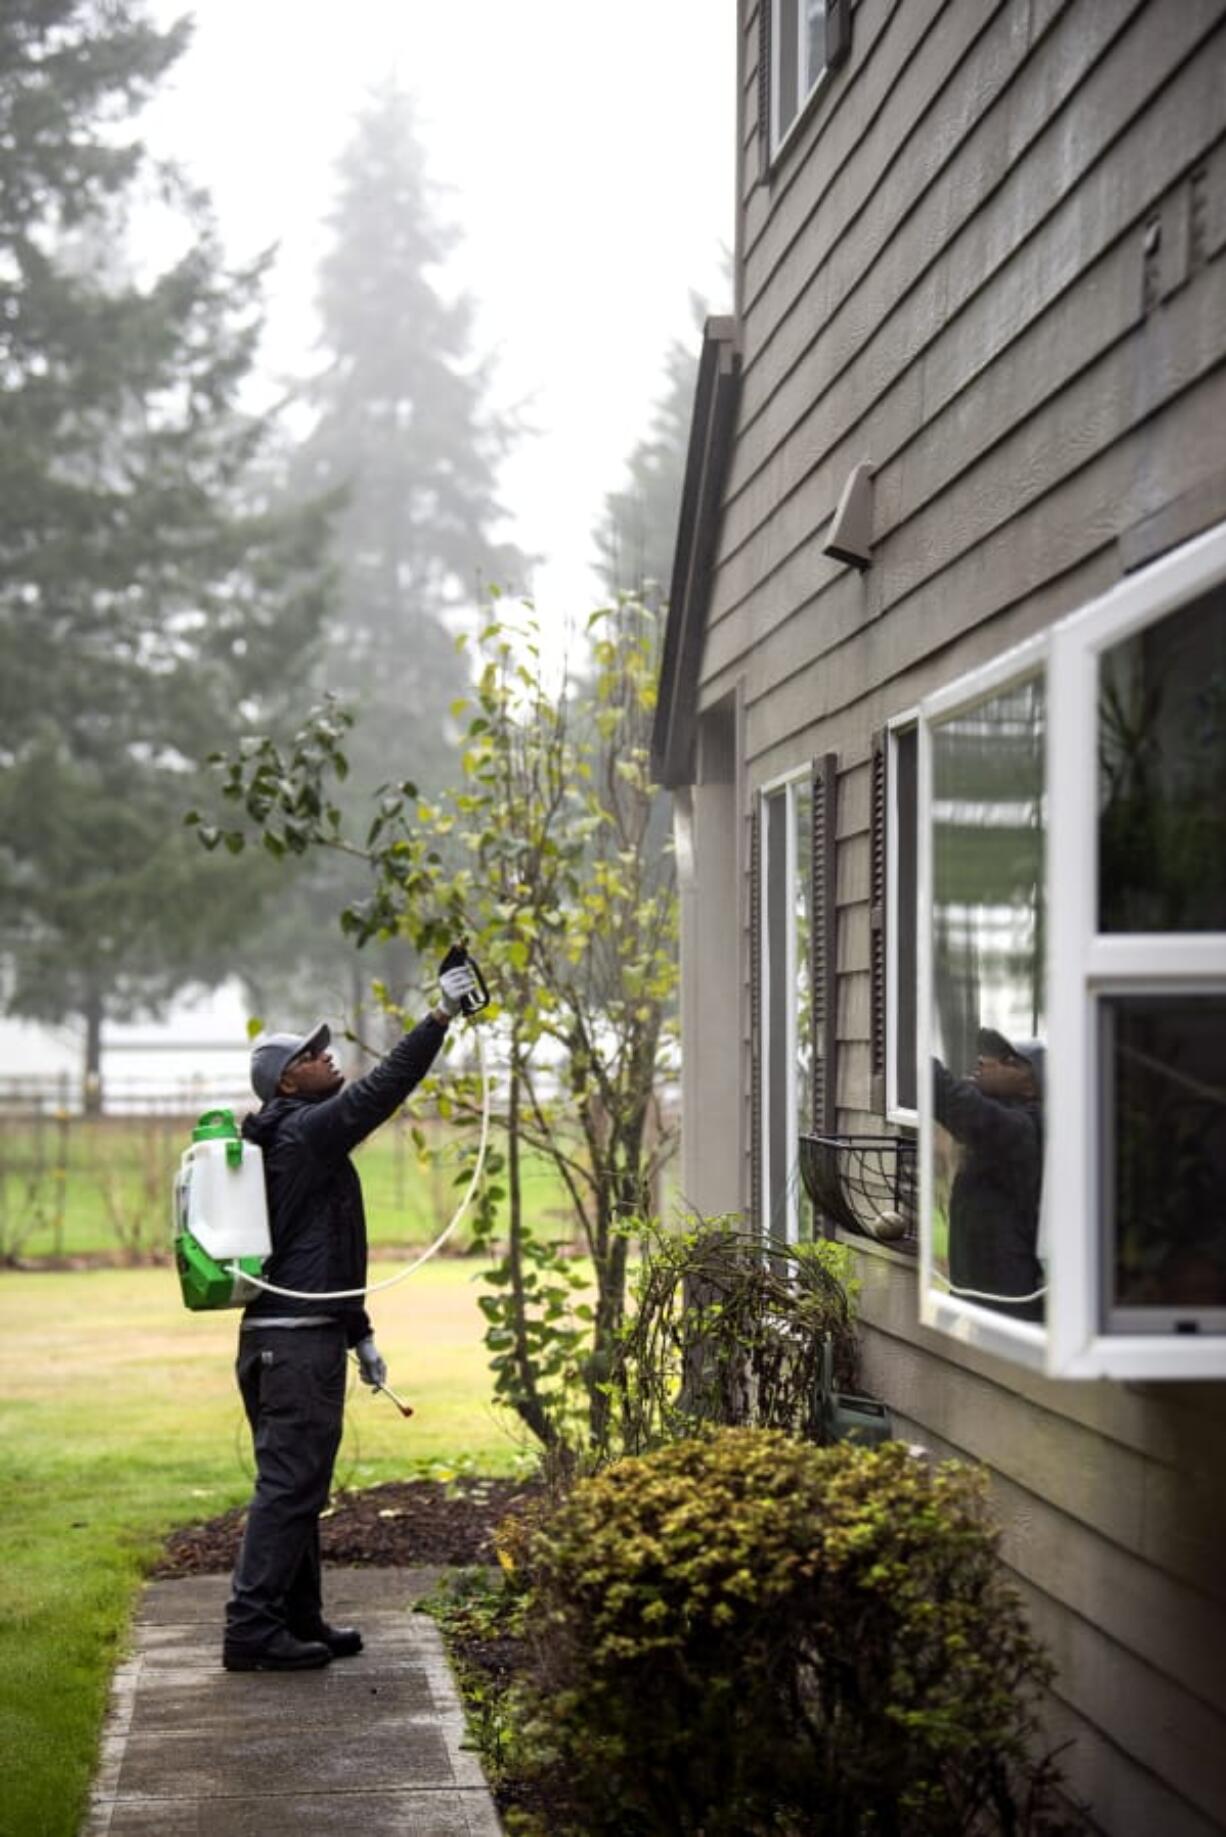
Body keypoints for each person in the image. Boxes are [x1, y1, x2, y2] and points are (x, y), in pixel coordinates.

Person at [221, 952, 480, 1672]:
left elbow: (328, 1246)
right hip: (294, 1345)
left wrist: (359, 1333)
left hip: (294, 1338)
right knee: (291, 1482)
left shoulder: (301, 1139)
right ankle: (251, 1627)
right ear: (286, 1080)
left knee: (300, 1480)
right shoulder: (305, 1130)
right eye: (310, 1052)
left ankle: (296, 1616)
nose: (325, 1054)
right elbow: (383, 1089)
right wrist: (440, 1015)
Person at [932, 1026, 1045, 1324]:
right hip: (979, 1299)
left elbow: (966, 1109)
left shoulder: (1024, 1131)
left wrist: (920, 1062)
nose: (984, 1060)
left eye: (1008, 1060)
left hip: (1010, 1312)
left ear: (1032, 1086)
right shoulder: (1007, 1118)